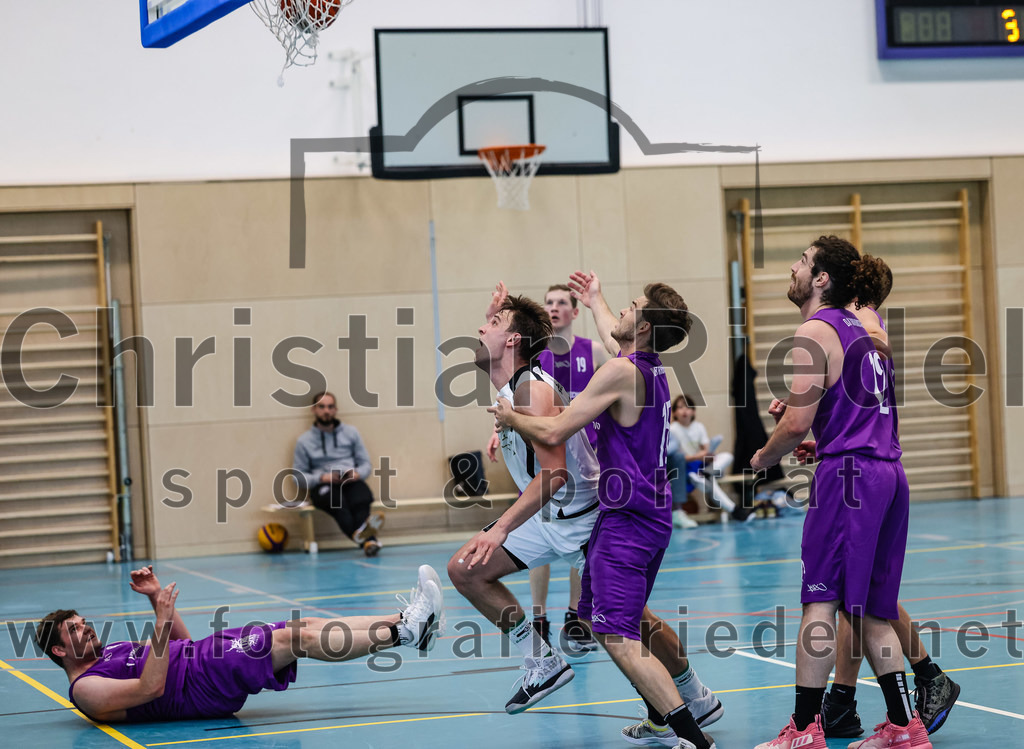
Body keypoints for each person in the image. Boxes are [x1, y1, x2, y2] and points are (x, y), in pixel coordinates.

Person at [491, 276, 718, 749]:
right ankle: (690, 702)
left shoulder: (618, 372)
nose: (621, 313)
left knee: (617, 633)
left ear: (646, 328)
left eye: (632, 307)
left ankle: (692, 737)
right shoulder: (648, 366)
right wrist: (594, 299)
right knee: (626, 620)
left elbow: (555, 430)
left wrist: (512, 419)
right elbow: (617, 326)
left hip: (628, 518)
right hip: (648, 512)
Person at [749, 236, 932, 749]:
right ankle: (903, 727)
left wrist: (765, 456)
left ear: (822, 278)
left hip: (850, 479)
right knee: (872, 608)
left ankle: (805, 730)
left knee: (820, 602)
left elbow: (794, 421)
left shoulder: (815, 329)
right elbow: (863, 410)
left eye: (803, 262)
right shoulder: (864, 331)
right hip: (887, 473)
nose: (794, 268)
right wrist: (826, 441)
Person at [811, 255, 960, 739]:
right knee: (863, 596)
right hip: (873, 463)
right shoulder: (859, 329)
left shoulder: (861, 323)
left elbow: (876, 361)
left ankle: (926, 674)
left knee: (867, 597)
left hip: (868, 473)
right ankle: (843, 698)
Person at [35, 564, 444, 723]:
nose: (87, 629)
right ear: (58, 651)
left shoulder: (107, 653)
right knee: (296, 639)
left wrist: (153, 597)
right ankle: (405, 633)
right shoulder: (85, 690)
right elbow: (151, 688)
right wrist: (159, 620)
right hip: (202, 686)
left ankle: (405, 618)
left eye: (84, 623)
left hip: (203, 658)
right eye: (75, 630)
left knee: (306, 624)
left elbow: (182, 645)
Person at [449, 292, 600, 714]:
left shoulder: (532, 389)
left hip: (586, 522)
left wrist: (500, 528)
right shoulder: (509, 385)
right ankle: (542, 661)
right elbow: (488, 356)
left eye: (493, 323)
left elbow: (555, 474)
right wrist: (492, 315)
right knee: (466, 570)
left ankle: (690, 696)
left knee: (628, 627)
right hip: (550, 520)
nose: (481, 328)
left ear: (513, 341)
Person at [483, 281, 605, 654]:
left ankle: (575, 613)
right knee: (473, 564)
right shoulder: (536, 358)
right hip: (542, 452)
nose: (554, 307)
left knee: (621, 626)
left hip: (576, 465)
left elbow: (605, 402)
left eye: (560, 302)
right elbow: (508, 391)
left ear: (574, 310)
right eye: (548, 301)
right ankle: (537, 619)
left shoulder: (592, 352)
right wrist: (502, 427)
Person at [292, 391, 384, 556]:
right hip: (323, 485)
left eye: (330, 406)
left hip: (350, 480)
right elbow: (297, 477)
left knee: (362, 497)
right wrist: (321, 477)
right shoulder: (303, 441)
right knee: (337, 503)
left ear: (335, 409)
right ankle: (369, 539)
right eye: (321, 407)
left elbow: (366, 465)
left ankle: (364, 540)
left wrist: (356, 474)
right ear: (314, 410)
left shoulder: (351, 433)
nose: (326, 411)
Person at [667, 394, 748, 526]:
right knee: (711, 484)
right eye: (680, 407)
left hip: (701, 465)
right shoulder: (672, 430)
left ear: (693, 411)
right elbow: (678, 458)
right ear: (674, 412)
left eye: (688, 407)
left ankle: (707, 473)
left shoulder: (698, 427)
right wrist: (698, 456)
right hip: (686, 468)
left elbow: (706, 450)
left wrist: (706, 456)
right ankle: (734, 510)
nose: (684, 411)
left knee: (727, 456)